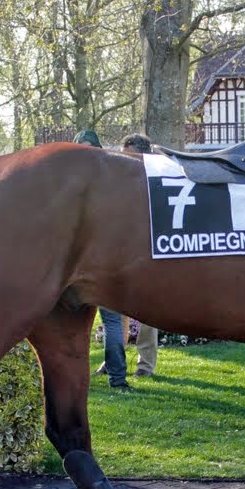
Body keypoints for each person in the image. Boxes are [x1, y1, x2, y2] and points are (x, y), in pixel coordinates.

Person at [74, 130, 133, 392]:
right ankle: (117, 379)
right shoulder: (113, 179)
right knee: (110, 322)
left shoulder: (69, 183)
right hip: (102, 261)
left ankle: (76, 379)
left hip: (77, 262)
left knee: (74, 324)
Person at [121, 133, 160, 377]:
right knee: (116, 312)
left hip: (151, 254)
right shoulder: (121, 181)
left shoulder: (155, 178)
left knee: (148, 312)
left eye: (130, 156)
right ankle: (115, 361)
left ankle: (146, 365)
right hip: (124, 254)